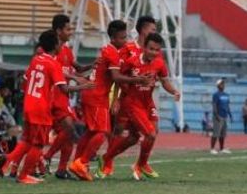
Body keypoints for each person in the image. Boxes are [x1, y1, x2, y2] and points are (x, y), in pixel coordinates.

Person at [0, 29, 93, 184]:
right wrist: (84, 86)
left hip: (29, 104)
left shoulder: (36, 60)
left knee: (27, 140)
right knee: (38, 144)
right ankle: (23, 176)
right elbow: (63, 88)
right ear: (56, 45)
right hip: (40, 108)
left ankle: (8, 160)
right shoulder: (53, 63)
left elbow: (26, 79)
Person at [69, 20, 151, 181]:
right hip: (96, 96)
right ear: (113, 38)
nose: (125, 40)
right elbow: (116, 77)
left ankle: (77, 164)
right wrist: (138, 80)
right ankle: (82, 162)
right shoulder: (112, 52)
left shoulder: (110, 51)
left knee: (91, 132)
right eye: (121, 38)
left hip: (91, 94)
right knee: (102, 132)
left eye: (125, 37)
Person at [97, 33, 180, 180]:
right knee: (150, 134)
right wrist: (117, 98)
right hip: (133, 103)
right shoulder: (132, 62)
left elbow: (165, 81)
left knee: (134, 138)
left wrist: (174, 91)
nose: (154, 52)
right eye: (151, 49)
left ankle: (106, 157)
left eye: (157, 50)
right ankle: (141, 164)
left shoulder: (159, 63)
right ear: (144, 48)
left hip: (148, 102)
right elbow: (118, 79)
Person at [43, 14, 91, 180]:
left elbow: (77, 68)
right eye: (68, 29)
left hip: (64, 96)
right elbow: (52, 71)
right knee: (69, 129)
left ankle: (61, 169)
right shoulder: (48, 50)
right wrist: (75, 79)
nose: (71, 32)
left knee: (68, 134)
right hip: (53, 95)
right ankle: (46, 157)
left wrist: (94, 65)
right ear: (58, 31)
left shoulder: (67, 51)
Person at [211, 79, 232, 154]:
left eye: (223, 84)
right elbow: (214, 105)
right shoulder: (216, 95)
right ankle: (212, 148)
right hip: (218, 115)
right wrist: (216, 115)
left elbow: (227, 106)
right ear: (218, 86)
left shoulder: (226, 95)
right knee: (216, 133)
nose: (223, 85)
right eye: (221, 84)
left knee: (223, 134)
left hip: (225, 115)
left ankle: (222, 148)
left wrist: (230, 115)